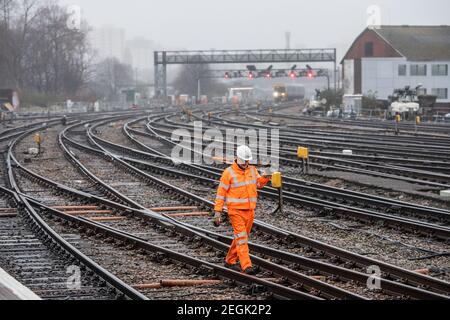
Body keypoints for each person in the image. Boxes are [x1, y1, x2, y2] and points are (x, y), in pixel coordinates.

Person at [214, 145, 272, 275]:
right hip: (235, 211)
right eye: (244, 160)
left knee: (241, 237)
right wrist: (217, 212)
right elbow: (220, 193)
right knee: (242, 238)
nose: (246, 163)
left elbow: (259, 184)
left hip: (250, 210)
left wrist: (267, 175)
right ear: (237, 158)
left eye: (248, 160)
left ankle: (229, 260)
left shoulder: (252, 170)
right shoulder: (228, 173)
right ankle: (247, 266)